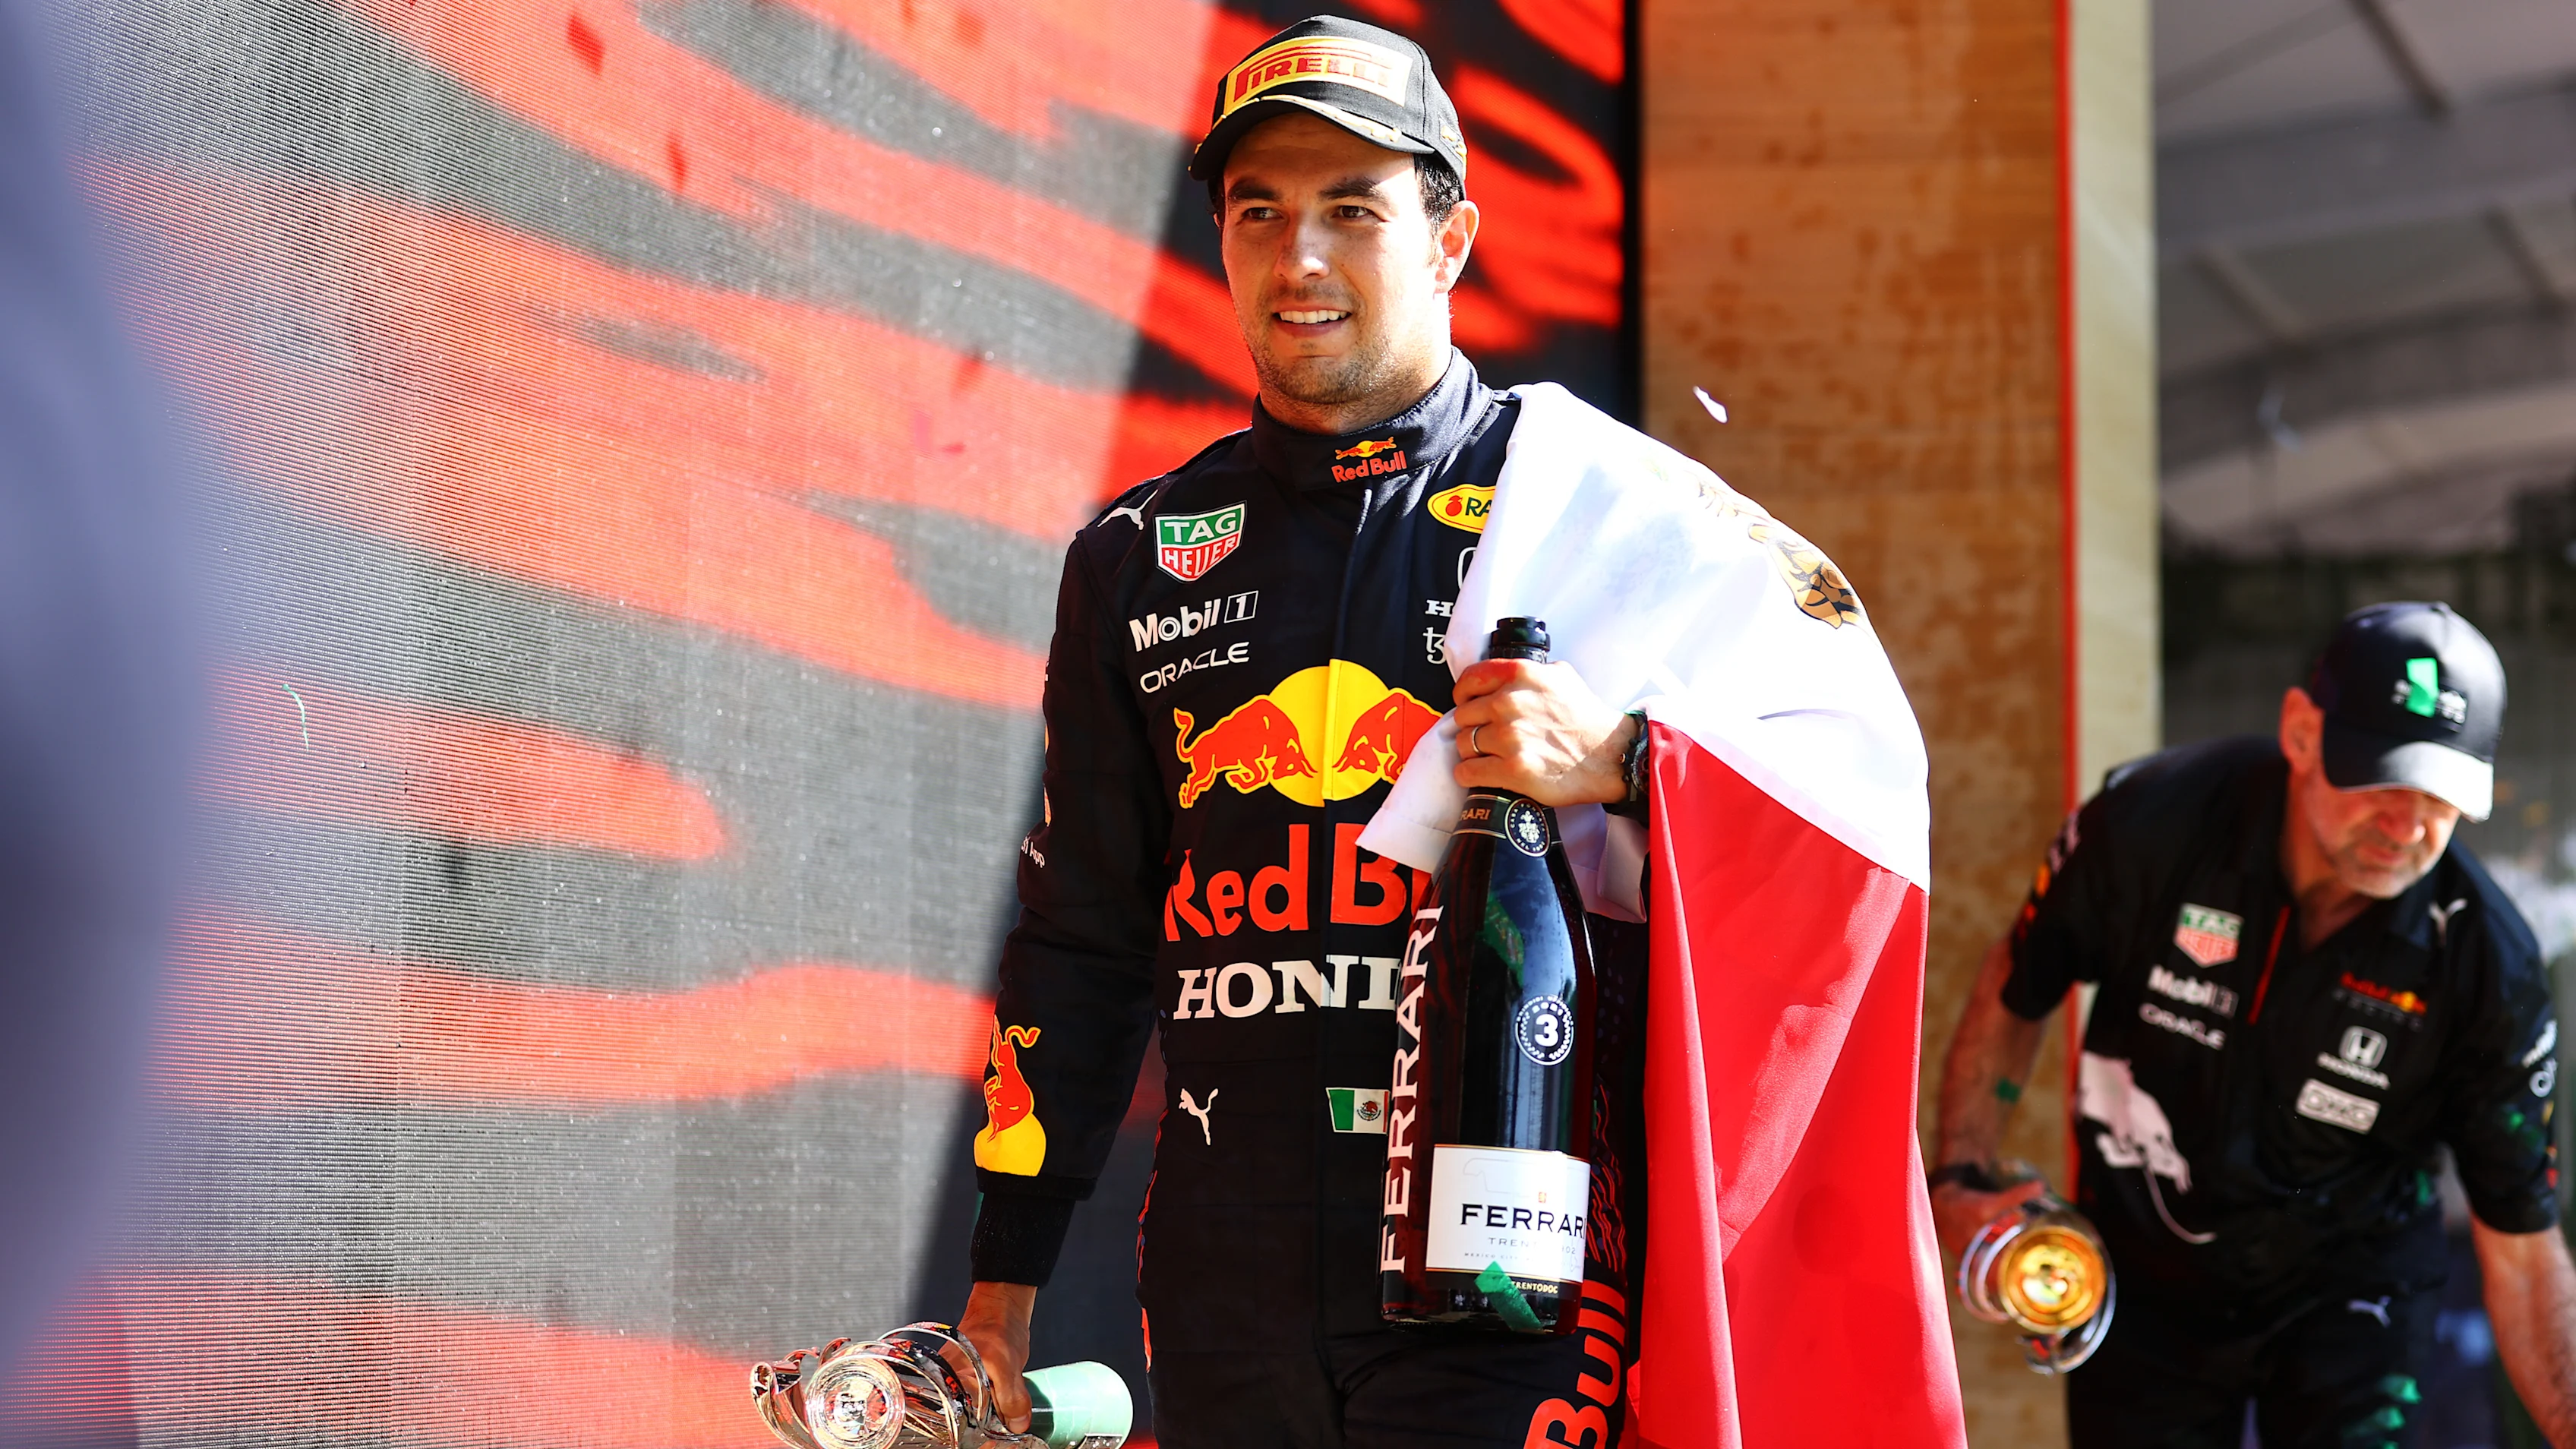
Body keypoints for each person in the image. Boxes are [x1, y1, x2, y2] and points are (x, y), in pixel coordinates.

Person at [955, 17, 1962, 1447]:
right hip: (1221, 1265)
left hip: (1505, 1236)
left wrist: (1625, 762)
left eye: (1352, 210)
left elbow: (1863, 785)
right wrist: (1002, 1284)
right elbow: (1082, 936)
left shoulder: (1599, 508)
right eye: (1259, 213)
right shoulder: (1135, 553)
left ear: (1450, 239)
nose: (1299, 257)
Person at [1930, 601, 2576, 1447]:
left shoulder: (2487, 965)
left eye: (2442, 796)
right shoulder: (2149, 825)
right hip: (2141, 1277)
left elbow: (2525, 1262)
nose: (2406, 825)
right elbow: (2016, 986)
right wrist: (1960, 1177)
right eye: (2381, 777)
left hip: (2355, 1294)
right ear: (2300, 733)